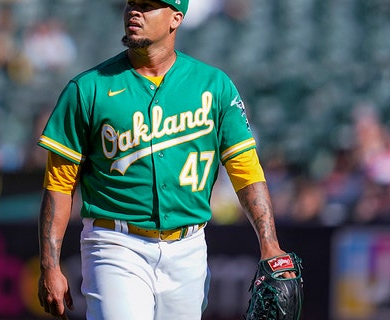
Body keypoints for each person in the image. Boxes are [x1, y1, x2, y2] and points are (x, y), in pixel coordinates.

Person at [36, 1, 292, 319]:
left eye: (147, 6)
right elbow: (59, 185)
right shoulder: (88, 89)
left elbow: (246, 170)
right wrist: (50, 264)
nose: (134, 12)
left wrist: (269, 243)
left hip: (190, 247)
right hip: (116, 243)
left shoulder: (214, 86)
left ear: (175, 19)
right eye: (132, 4)